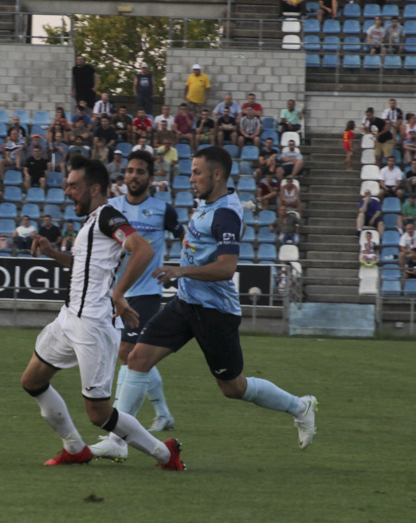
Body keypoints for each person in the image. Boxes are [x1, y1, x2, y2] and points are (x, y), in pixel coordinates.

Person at [95, 147, 317, 466]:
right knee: (137, 357)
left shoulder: (225, 212)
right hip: (186, 303)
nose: (191, 177)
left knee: (233, 387)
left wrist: (180, 270)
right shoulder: (208, 204)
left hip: (215, 312)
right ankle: (118, 440)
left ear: (217, 175)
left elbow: (227, 268)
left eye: (197, 171)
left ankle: (300, 407)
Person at [21, 155, 182, 469]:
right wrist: (53, 253)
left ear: (94, 188)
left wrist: (118, 293)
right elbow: (82, 266)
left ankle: (165, 453)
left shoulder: (109, 216)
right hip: (69, 318)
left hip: (93, 325)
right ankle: (75, 448)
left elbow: (143, 249)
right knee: (32, 381)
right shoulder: (93, 220)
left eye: (73, 186)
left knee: (99, 415)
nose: (67, 192)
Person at [86, 152, 187, 463]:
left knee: (130, 353)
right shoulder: (113, 209)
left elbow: (186, 239)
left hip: (145, 293)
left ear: (150, 177)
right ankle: (161, 413)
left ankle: (118, 433)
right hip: (117, 290)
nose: (133, 176)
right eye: (129, 171)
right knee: (130, 354)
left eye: (140, 171)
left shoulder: (163, 210)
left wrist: (181, 267)